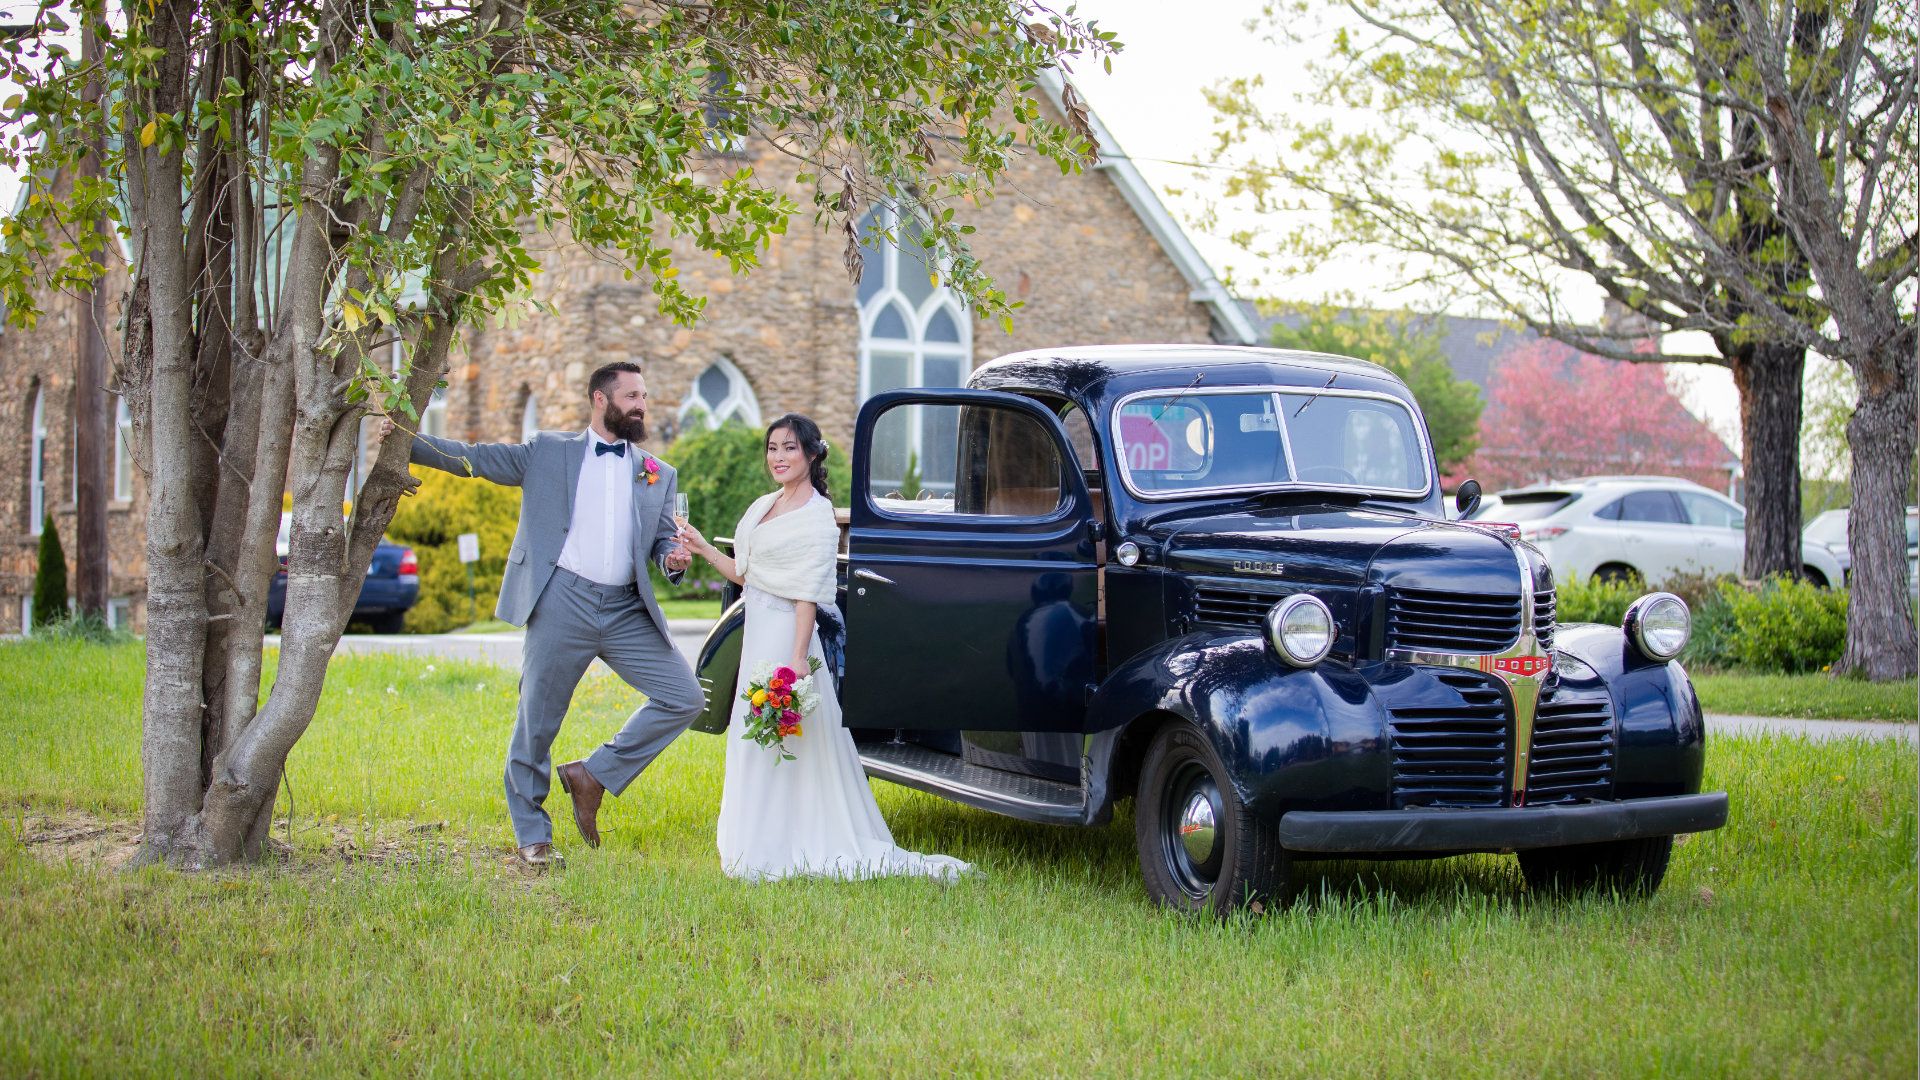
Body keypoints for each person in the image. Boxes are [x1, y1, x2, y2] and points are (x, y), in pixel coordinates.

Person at [380, 361, 703, 868]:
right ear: (600, 399)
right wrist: (408, 442)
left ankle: (593, 775)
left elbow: (664, 540)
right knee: (537, 721)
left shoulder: (658, 472)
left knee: (684, 697)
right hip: (561, 601)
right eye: (632, 396)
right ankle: (532, 831)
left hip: (625, 609)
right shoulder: (549, 452)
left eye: (644, 395)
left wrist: (672, 559)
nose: (642, 404)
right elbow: (476, 459)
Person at [677, 414, 971, 882]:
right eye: (772, 448)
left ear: (812, 454)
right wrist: (701, 548)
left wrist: (796, 661)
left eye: (789, 448)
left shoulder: (815, 515)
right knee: (753, 738)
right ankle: (752, 839)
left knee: (791, 740)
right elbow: (745, 573)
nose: (778, 457)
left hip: (787, 639)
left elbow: (808, 594)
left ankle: (791, 841)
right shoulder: (763, 505)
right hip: (757, 635)